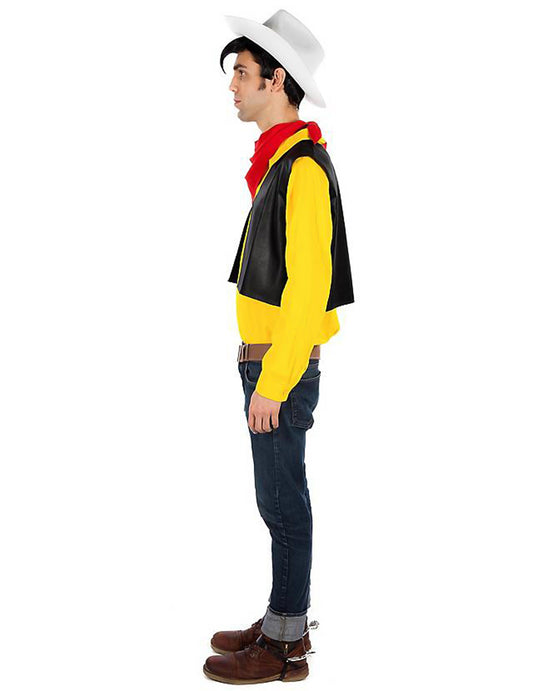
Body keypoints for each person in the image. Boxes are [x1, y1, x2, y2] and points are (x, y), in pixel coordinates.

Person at [203, 9, 355, 684]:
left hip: (278, 368)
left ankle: (286, 644)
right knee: (276, 500)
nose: (232, 86)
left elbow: (308, 290)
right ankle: (278, 620)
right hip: (267, 363)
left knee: (283, 503)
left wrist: (274, 380)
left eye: (242, 73)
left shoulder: (302, 170)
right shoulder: (281, 164)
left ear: (277, 80)